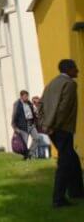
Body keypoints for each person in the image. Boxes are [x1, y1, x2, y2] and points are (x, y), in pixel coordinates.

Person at [40, 59, 82, 209]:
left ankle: (76, 191)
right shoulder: (70, 84)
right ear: (69, 69)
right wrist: (53, 126)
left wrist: (45, 125)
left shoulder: (51, 83)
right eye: (75, 68)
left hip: (52, 128)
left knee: (73, 158)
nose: (77, 71)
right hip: (62, 128)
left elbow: (41, 105)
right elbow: (64, 108)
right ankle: (58, 200)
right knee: (64, 162)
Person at [12, 90, 39, 160]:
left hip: (31, 124)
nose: (27, 98)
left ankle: (30, 153)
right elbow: (14, 115)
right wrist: (14, 127)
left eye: (27, 96)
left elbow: (34, 111)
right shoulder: (17, 104)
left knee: (37, 138)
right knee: (24, 144)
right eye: (25, 96)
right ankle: (26, 157)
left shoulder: (29, 103)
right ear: (21, 96)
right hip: (23, 126)